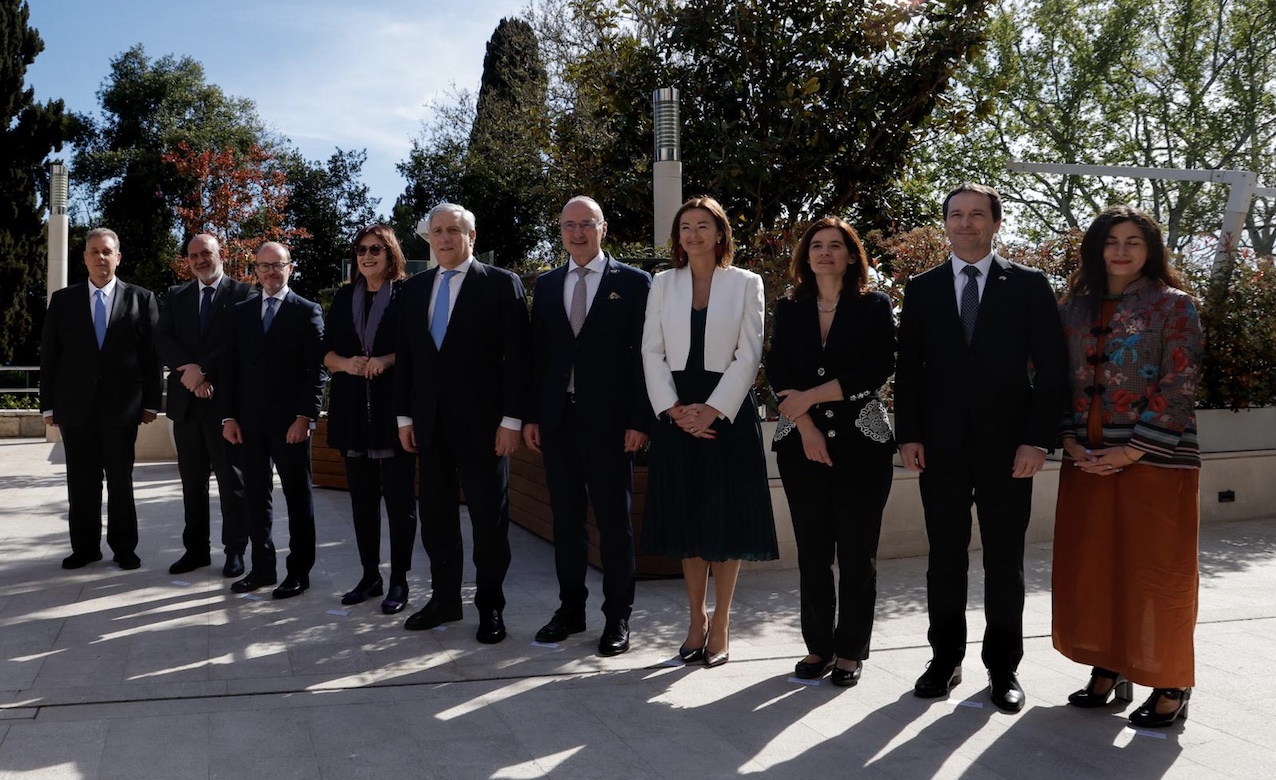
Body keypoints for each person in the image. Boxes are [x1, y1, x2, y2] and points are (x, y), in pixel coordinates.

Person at [894, 183, 1067, 712]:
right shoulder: (922, 288)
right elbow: (909, 370)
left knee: (1004, 561)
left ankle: (1003, 668)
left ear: (996, 223)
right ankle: (944, 660)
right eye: (956, 214)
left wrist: (1037, 440)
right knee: (944, 558)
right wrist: (909, 434)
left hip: (1009, 449)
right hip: (939, 448)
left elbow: (1053, 370)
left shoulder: (1029, 285)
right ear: (945, 222)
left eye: (976, 214)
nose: (965, 223)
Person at [1052, 205, 1203, 728]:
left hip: (1156, 460)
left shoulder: (1175, 305)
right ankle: (1109, 665)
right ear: (1096, 248)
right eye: (1111, 240)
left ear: (1150, 249)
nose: (1120, 250)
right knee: (1094, 568)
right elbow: (1053, 378)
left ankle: (1171, 681)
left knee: (1158, 573)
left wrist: (1133, 450)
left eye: (1133, 241)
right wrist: (1068, 441)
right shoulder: (1073, 308)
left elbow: (1181, 382)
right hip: (1086, 459)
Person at [641, 195, 778, 668]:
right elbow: (651, 351)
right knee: (688, 519)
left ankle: (721, 622)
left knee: (726, 519)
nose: (693, 234)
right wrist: (674, 410)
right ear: (677, 237)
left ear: (720, 233)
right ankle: (695, 620)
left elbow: (750, 353)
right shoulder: (663, 283)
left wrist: (714, 410)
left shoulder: (746, 282)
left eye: (703, 225)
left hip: (728, 411)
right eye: (686, 226)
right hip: (677, 411)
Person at [766, 217, 896, 687]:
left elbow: (878, 367)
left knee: (858, 553)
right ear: (806, 256)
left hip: (863, 445)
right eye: (816, 245)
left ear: (851, 255)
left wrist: (812, 397)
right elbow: (777, 367)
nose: (825, 252)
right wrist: (806, 425)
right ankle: (818, 646)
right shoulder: (789, 307)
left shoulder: (875, 305)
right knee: (813, 552)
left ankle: (850, 652)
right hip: (801, 445)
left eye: (835, 245)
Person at [523, 196, 652, 657]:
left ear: (603, 228)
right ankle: (570, 610)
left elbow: (646, 356)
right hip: (558, 423)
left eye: (586, 224)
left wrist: (640, 420)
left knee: (615, 525)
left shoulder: (634, 283)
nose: (577, 233)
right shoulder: (546, 284)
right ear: (560, 231)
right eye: (569, 225)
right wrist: (533, 415)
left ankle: (618, 617)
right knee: (566, 522)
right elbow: (538, 356)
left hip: (612, 426)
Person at [394, 203, 528, 644]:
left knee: (489, 520)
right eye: (437, 231)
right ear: (429, 238)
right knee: (435, 517)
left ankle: (491, 607)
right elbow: (408, 358)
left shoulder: (501, 284)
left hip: (485, 428)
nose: (445, 238)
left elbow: (518, 358)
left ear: (472, 236)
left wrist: (511, 420)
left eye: (454, 230)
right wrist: (404, 416)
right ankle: (445, 600)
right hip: (429, 426)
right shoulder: (413, 289)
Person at [40, 228, 162, 570]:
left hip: (122, 410)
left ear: (118, 257)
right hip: (74, 409)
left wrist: (152, 402)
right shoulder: (63, 301)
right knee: (81, 482)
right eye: (94, 251)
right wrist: (48, 404)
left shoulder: (141, 299)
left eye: (107, 251)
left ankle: (124, 548)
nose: (100, 257)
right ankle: (85, 548)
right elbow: (50, 355)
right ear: (84, 258)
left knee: (120, 482)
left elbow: (152, 356)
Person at [220, 242, 325, 600]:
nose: (270, 272)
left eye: (277, 265)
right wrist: (229, 417)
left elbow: (316, 371)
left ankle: (299, 572)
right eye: (263, 266)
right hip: (249, 424)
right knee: (254, 499)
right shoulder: (241, 312)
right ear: (256, 270)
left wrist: (304, 417)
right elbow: (230, 369)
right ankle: (262, 568)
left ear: (290, 268)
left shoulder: (307, 311)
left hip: (291, 425)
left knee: (298, 499)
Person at [322, 225, 418, 614]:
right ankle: (369, 577)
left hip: (393, 414)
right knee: (362, 503)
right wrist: (347, 364)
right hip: (351, 414)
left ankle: (399, 581)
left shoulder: (408, 294)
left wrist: (386, 359)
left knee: (399, 502)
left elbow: (418, 349)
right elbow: (325, 353)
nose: (367, 256)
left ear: (391, 253)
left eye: (376, 249)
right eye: (361, 250)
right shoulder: (345, 297)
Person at [155, 234, 253, 578]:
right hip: (186, 405)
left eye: (205, 253)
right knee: (192, 483)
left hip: (226, 407)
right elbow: (162, 338)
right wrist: (190, 373)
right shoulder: (176, 295)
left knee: (232, 483)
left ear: (220, 254)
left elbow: (239, 343)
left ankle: (235, 551)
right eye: (193, 255)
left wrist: (205, 370)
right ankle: (195, 551)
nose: (199, 260)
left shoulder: (243, 294)